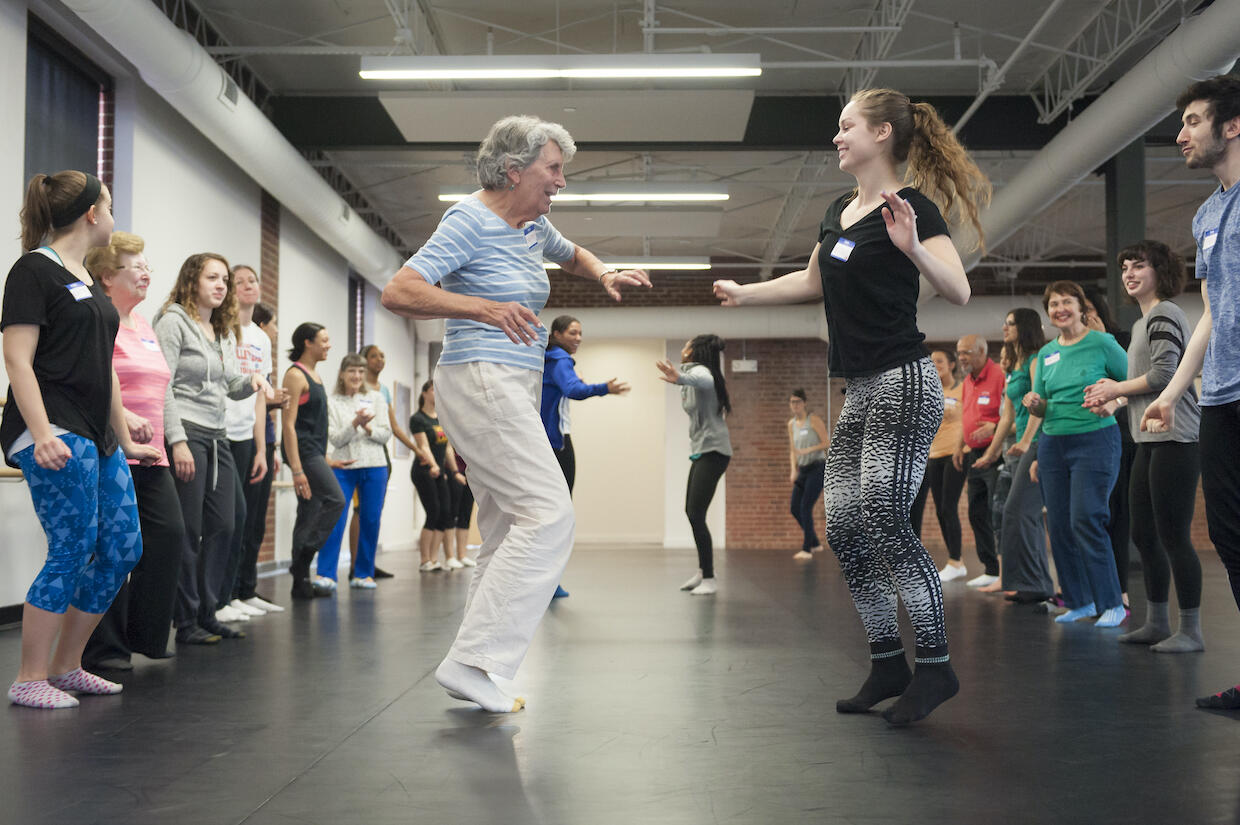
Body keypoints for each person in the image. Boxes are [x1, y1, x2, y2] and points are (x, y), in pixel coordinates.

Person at [713, 88, 988, 725]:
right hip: (859, 388)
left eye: (846, 128)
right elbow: (812, 279)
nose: (837, 138)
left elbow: (958, 287)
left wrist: (914, 245)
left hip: (904, 380)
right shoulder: (840, 210)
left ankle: (937, 667)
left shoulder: (911, 207)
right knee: (841, 524)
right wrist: (744, 294)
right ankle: (888, 660)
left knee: (887, 522)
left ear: (883, 134)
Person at [380, 114, 650, 713]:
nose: (560, 182)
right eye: (553, 170)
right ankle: (473, 661)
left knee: (506, 527)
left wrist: (604, 270)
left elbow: (572, 253)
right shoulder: (469, 219)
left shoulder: (532, 226)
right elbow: (399, 290)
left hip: (513, 383)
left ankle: (480, 667)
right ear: (514, 169)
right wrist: (480, 307)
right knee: (550, 516)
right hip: (480, 378)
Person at [3, 171, 161, 709]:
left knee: (121, 549)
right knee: (71, 548)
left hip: (99, 435)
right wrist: (42, 433)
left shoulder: (86, 278)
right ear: (92, 212)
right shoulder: (32, 271)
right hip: (55, 430)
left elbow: (104, 368)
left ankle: (68, 666)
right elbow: (17, 360)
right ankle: (29, 677)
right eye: (110, 206)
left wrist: (126, 433)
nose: (114, 216)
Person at [1143, 76, 1240, 708]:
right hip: (1221, 397)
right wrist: (1174, 391)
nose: (1181, 134)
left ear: (1233, 126)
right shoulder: (1207, 215)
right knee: (1230, 536)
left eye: (1195, 122)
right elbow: (1209, 313)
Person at [1085, 241, 1202, 652]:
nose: (1129, 273)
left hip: (1177, 438)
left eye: (1140, 266)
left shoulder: (1166, 313)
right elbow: (1143, 384)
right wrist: (1113, 402)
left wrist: (1117, 387)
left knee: (1173, 537)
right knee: (1144, 535)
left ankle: (1190, 630)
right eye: (1125, 267)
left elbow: (1165, 374)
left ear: (1161, 272)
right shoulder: (1141, 323)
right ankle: (1155, 621)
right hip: (1147, 439)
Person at [81, 232, 186, 670]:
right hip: (110, 450)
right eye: (136, 266)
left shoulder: (143, 325)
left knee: (168, 537)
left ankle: (144, 635)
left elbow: (163, 391)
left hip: (151, 454)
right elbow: (93, 380)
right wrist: (122, 422)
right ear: (108, 276)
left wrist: (174, 440)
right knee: (108, 550)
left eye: (148, 266)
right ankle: (104, 649)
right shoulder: (98, 319)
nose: (146, 273)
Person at [157, 253, 269, 644]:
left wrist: (253, 381)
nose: (221, 285)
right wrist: (177, 440)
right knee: (189, 529)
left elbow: (229, 384)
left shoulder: (220, 329)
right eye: (213, 278)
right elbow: (162, 384)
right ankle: (186, 620)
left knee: (228, 520)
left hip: (218, 434)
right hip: (187, 430)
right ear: (192, 280)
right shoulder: (173, 322)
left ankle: (209, 609)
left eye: (224, 279)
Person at [1022, 281, 1128, 628]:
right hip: (1053, 445)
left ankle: (1112, 602)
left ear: (1082, 308)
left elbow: (1134, 383)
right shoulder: (1046, 354)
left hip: (1095, 440)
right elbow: (1041, 405)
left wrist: (1114, 401)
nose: (1060, 309)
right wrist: (1035, 404)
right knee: (1061, 525)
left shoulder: (1102, 343)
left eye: (1067, 302)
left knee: (1086, 518)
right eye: (1053, 304)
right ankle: (1079, 600)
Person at [541, 314, 630, 596]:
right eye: (572, 333)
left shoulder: (549, 360)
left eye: (580, 333)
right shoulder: (559, 359)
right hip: (557, 444)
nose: (578, 338)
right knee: (560, 513)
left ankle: (546, 579)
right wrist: (605, 388)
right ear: (556, 334)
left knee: (550, 512)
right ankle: (550, 581)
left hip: (547, 442)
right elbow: (573, 390)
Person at [974, 308, 1052, 603]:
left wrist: (1028, 441)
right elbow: (1007, 417)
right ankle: (1022, 580)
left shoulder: (1036, 360)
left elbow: (1038, 402)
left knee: (1022, 512)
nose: (1004, 328)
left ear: (1025, 327)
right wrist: (992, 454)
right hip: (1017, 447)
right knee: (1009, 512)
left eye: (1010, 323)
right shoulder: (1015, 365)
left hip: (1036, 443)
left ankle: (1036, 582)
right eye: (1004, 322)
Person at [219, 264, 279, 622]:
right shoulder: (220, 329)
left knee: (251, 519)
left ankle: (244, 589)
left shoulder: (261, 338)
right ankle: (222, 596)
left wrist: (261, 448)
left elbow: (261, 396)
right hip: (220, 431)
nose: (246, 286)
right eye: (238, 282)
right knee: (229, 519)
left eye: (252, 280)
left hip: (248, 434)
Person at [656, 335, 733, 595]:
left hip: (715, 451)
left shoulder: (701, 373)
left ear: (694, 351)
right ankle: (703, 571)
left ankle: (710, 578)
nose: (684, 348)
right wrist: (680, 378)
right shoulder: (690, 375)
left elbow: (705, 379)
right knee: (692, 511)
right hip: (702, 450)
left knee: (696, 513)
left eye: (687, 344)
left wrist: (679, 377)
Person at [281, 322, 346, 599]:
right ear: (308, 343)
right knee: (336, 500)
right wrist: (298, 470)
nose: (328, 345)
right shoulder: (295, 375)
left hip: (314, 452)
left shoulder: (315, 375)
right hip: (303, 452)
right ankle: (302, 560)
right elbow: (289, 425)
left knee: (308, 513)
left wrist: (325, 458)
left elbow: (315, 423)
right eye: (324, 340)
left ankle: (300, 582)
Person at [1082, 285, 1136, 607]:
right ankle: (1090, 591)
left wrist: (1105, 339)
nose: (1085, 316)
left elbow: (1133, 379)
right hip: (1084, 439)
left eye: (1089, 308)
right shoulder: (1069, 349)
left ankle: (1121, 592)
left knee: (1117, 515)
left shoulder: (1122, 339)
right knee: (1088, 515)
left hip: (1120, 436)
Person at [321, 353, 391, 589]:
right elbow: (335, 439)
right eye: (352, 371)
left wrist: (368, 427)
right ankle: (326, 574)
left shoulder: (376, 398)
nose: (357, 376)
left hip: (374, 466)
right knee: (335, 519)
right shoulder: (332, 402)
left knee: (370, 520)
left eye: (361, 372)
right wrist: (355, 424)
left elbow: (385, 434)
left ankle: (363, 573)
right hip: (344, 465)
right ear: (342, 373)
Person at [233, 301, 285, 612]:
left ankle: (246, 589)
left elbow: (262, 408)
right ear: (262, 326)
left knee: (254, 523)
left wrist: (268, 449)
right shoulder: (235, 341)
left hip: (260, 441)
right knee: (237, 521)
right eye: (274, 324)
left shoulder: (262, 350)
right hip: (238, 437)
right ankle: (231, 593)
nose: (277, 331)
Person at [911, 349, 967, 581]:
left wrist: (962, 448)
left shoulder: (962, 389)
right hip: (932, 456)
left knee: (948, 507)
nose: (935, 365)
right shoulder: (929, 392)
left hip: (955, 454)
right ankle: (955, 562)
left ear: (952, 364)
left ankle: (956, 561)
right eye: (932, 362)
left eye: (940, 361)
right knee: (940, 508)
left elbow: (968, 419)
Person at [953, 334, 1004, 588]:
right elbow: (967, 417)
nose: (961, 357)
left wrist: (994, 427)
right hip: (973, 455)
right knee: (976, 512)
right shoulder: (967, 381)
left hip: (995, 453)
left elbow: (1010, 415)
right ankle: (991, 568)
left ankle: (1006, 570)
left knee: (997, 513)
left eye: (966, 352)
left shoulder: (999, 375)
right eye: (959, 353)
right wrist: (958, 447)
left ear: (982, 352)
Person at [409, 379, 458, 572]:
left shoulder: (441, 418)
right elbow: (424, 446)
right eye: (433, 390)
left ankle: (434, 558)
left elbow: (447, 448)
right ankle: (424, 560)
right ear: (424, 394)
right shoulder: (418, 419)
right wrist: (433, 465)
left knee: (445, 513)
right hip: (424, 471)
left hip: (440, 471)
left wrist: (453, 471)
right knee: (433, 512)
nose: (436, 394)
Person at [787, 388, 829, 561]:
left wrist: (808, 449)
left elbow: (827, 442)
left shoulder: (814, 421)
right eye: (792, 402)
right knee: (794, 508)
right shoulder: (791, 425)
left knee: (805, 507)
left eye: (798, 402)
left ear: (804, 403)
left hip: (817, 468)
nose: (795, 405)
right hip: (802, 470)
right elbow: (793, 450)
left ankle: (807, 549)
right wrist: (793, 469)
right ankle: (815, 542)